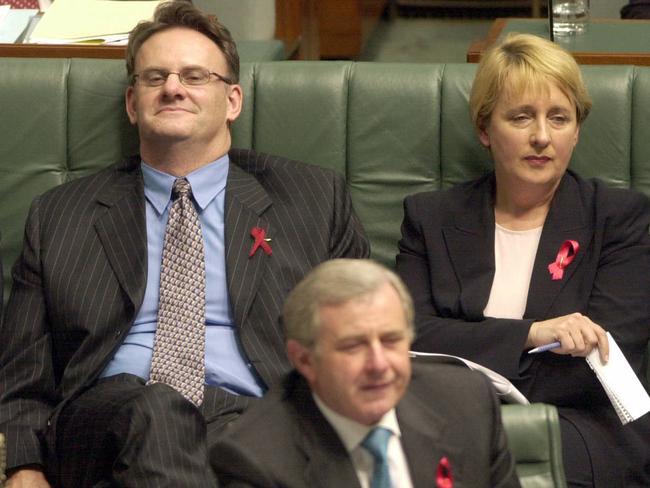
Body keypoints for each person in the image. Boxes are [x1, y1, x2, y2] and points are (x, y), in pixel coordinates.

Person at [0, 2, 369, 487]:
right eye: (155, 78)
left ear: (233, 100)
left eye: (195, 76)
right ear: (133, 104)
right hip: (107, 418)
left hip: (257, 416)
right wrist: (24, 467)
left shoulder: (314, 200)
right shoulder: (60, 215)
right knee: (161, 409)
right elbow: (21, 374)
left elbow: (365, 332)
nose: (173, 87)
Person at [396, 33, 650, 487]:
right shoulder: (430, 217)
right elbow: (407, 336)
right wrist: (531, 335)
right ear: (484, 129)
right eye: (520, 117)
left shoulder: (621, 219)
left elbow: (607, 364)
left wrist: (467, 352)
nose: (541, 136)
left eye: (558, 118)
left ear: (576, 131)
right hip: (446, 419)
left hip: (578, 428)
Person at [211, 259, 520, 488]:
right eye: (353, 346)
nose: (379, 364)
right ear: (304, 360)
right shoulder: (254, 460)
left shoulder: (467, 401)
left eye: (391, 340)